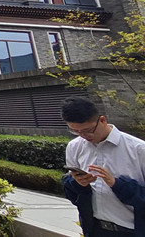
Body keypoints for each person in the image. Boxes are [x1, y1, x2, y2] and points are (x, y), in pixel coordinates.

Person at [61, 97, 145, 236]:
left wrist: (117, 184)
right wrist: (77, 183)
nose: (84, 136)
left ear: (102, 120)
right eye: (76, 131)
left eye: (88, 130)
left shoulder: (138, 149)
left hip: (133, 231)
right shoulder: (74, 147)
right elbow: (73, 195)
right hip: (95, 229)